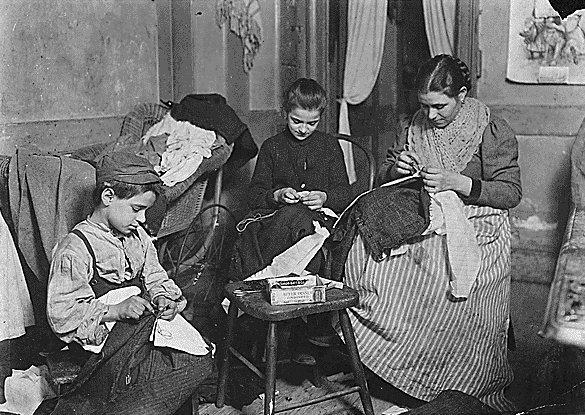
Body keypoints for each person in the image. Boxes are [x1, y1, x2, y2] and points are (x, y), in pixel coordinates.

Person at [343, 55, 521, 412]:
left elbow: (511, 192)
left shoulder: (489, 129)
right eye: (425, 106)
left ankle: (452, 382)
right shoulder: (414, 125)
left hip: (475, 219)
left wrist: (459, 182)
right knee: (371, 260)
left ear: (462, 96)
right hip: (423, 215)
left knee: (442, 272)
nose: (431, 115)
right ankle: (397, 370)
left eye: (440, 106)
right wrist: (397, 168)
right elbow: (387, 177)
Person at [46, 151, 213, 414]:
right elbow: (62, 315)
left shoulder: (139, 238)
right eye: (137, 209)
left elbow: (155, 276)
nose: (143, 219)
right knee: (167, 367)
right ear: (108, 196)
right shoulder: (75, 249)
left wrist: (162, 297)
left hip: (136, 331)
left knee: (199, 358)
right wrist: (116, 310)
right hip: (100, 343)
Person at [231, 78, 352, 365]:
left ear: (321, 118)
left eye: (312, 123)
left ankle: (287, 327)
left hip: (318, 221)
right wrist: (277, 194)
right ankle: (300, 330)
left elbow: (346, 193)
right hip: (278, 220)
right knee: (293, 226)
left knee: (308, 233)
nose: (303, 129)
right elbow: (254, 194)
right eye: (297, 121)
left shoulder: (329, 146)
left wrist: (324, 196)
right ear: (285, 112)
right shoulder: (272, 146)